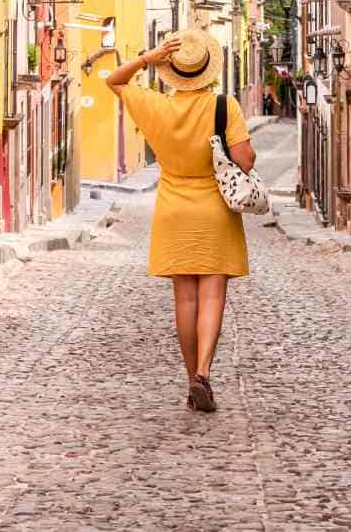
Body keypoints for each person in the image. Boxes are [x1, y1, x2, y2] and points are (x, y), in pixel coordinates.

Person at [107, 28, 257, 413]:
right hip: (214, 211)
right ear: (209, 68)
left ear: (170, 69)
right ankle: (205, 372)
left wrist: (147, 57)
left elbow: (113, 79)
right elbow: (246, 160)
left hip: (173, 210)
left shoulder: (154, 106)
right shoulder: (225, 107)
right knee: (212, 297)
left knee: (184, 299)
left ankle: (192, 382)